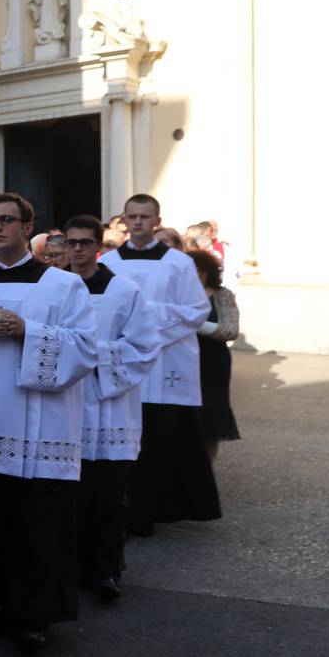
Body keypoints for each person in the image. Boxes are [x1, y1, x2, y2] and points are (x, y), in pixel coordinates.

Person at [0, 192, 96, 653]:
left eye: (7, 220)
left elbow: (86, 349)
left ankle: (30, 616)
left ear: (29, 227)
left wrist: (30, 330)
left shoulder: (63, 287)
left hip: (40, 430)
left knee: (35, 528)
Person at [100, 194, 220, 533]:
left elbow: (196, 310)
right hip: (123, 360)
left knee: (160, 442)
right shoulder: (109, 262)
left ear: (157, 221)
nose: (138, 222)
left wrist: (145, 327)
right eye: (132, 216)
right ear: (124, 220)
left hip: (166, 362)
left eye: (145, 216)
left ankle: (154, 511)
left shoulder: (178, 263)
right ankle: (122, 510)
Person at [61, 216, 156, 602]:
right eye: (72, 243)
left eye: (85, 243)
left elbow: (144, 346)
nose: (78, 250)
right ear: (64, 247)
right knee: (73, 495)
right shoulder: (57, 290)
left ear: (98, 246)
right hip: (67, 405)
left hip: (111, 406)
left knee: (111, 497)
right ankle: (71, 564)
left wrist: (92, 355)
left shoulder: (123, 291)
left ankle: (106, 569)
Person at [191, 248, 241, 464]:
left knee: (212, 415)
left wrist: (194, 324)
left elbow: (230, 330)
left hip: (213, 362)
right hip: (185, 361)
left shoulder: (222, 294)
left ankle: (206, 469)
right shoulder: (178, 296)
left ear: (203, 272)